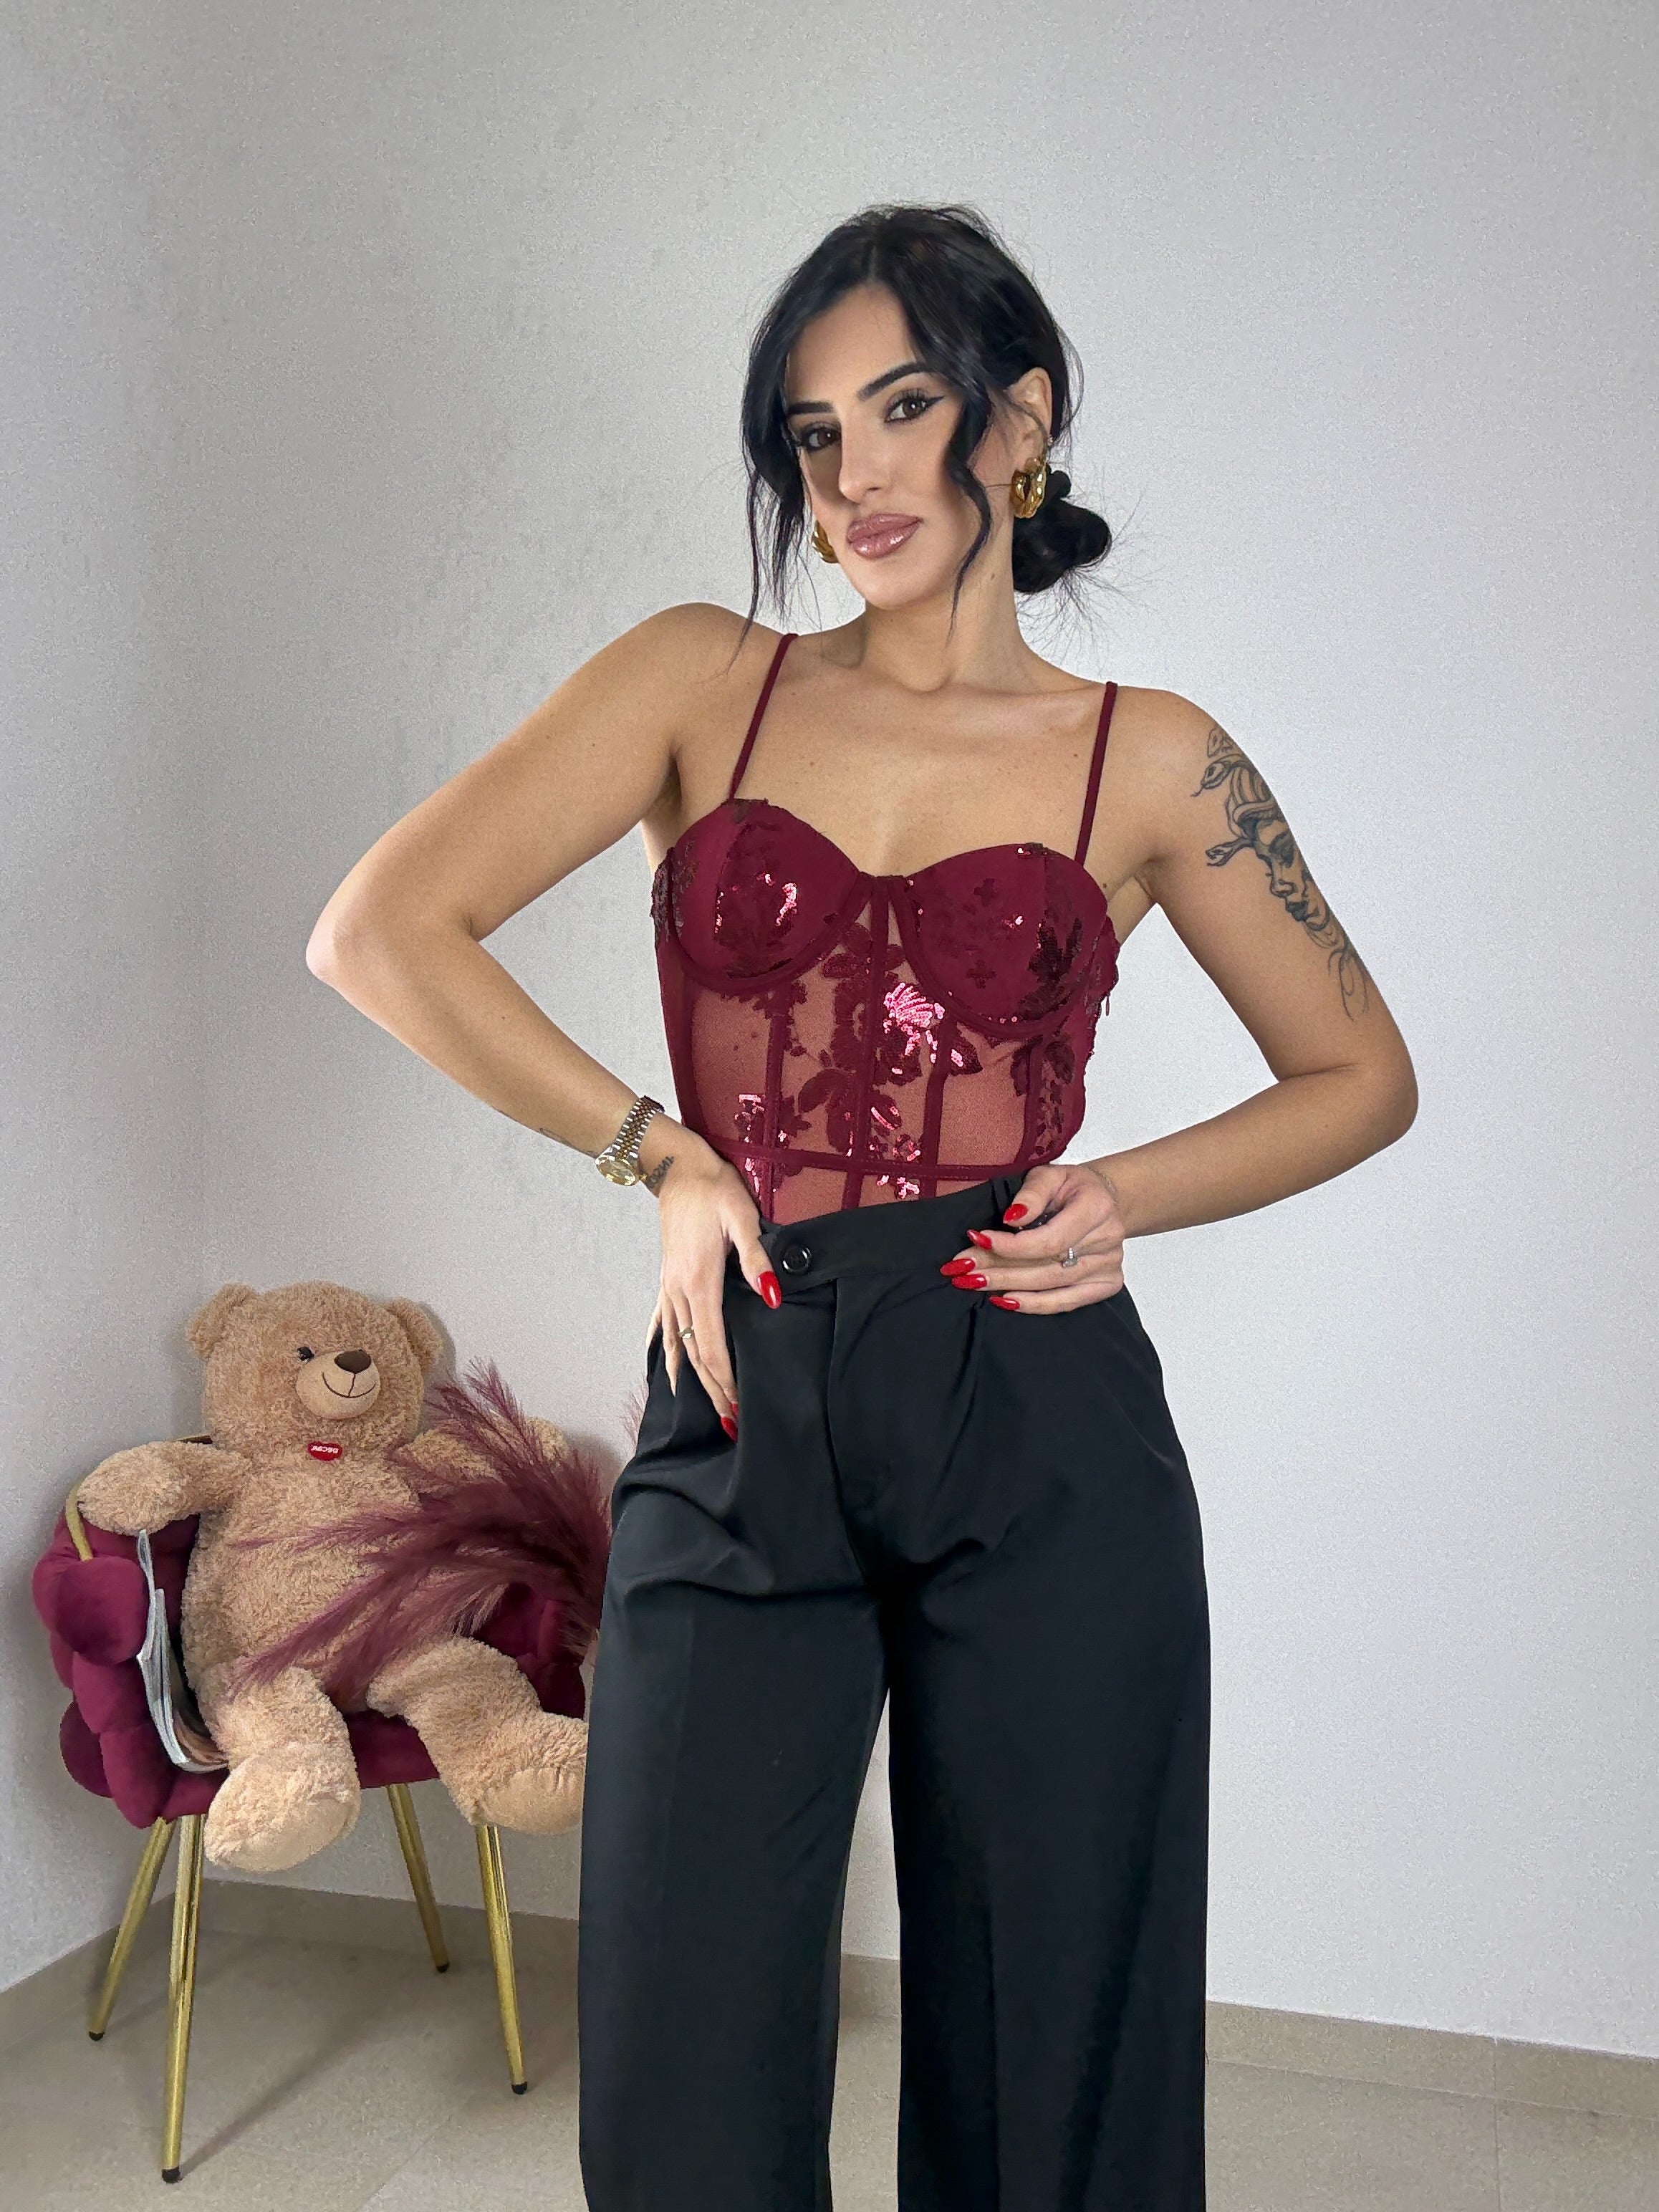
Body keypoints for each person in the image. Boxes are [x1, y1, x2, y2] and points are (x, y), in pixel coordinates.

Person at [307, 201, 1418, 2212]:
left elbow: (1363, 1078)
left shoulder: (1151, 761)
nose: (854, 476)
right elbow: (381, 930)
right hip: (745, 1388)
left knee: (1054, 2025)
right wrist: (659, 1152)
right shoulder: (698, 679)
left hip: (1037, 1402)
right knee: (682, 2038)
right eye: (813, 436)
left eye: (904, 408)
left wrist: (1121, 1195)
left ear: (1020, 423)